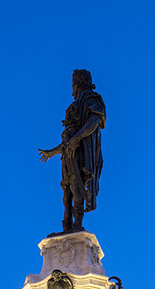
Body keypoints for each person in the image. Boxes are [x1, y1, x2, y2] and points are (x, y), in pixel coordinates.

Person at [39, 69, 106, 232]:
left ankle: (77, 225)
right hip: (68, 154)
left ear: (78, 83)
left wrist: (76, 139)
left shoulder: (91, 99)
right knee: (66, 193)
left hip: (81, 152)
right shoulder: (74, 105)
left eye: (73, 84)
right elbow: (66, 141)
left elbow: (95, 120)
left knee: (77, 186)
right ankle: (66, 226)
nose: (71, 90)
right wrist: (52, 152)